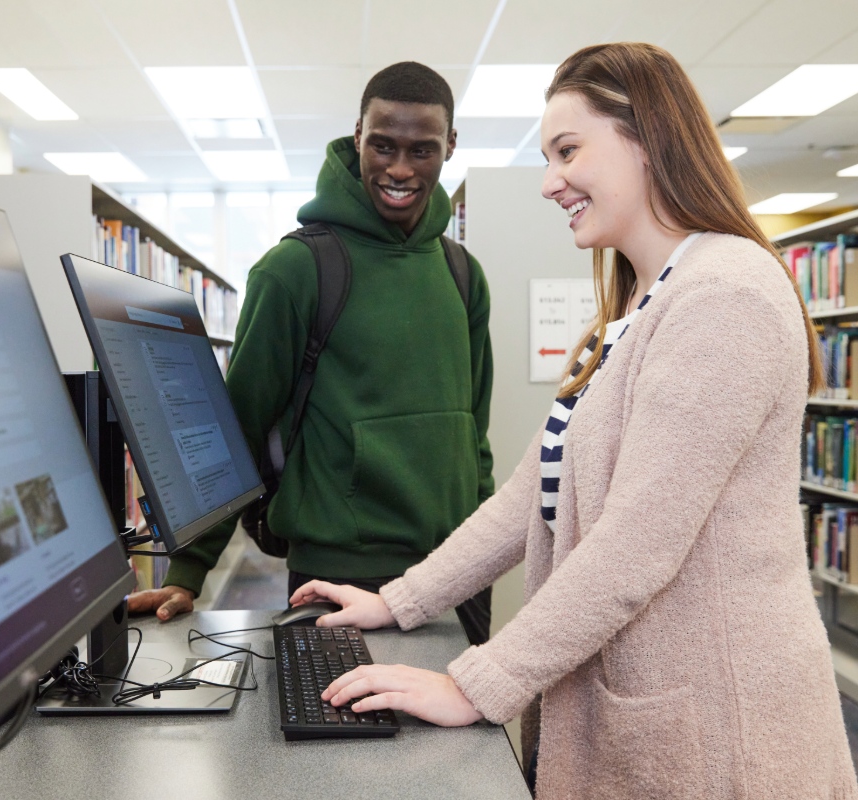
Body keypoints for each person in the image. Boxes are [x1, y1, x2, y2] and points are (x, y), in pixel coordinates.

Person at [291, 42, 858, 799]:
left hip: (722, 732)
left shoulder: (726, 297)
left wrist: (477, 685)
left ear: (647, 139)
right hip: (646, 705)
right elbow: (530, 493)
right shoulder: (634, 305)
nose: (551, 182)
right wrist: (402, 600)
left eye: (567, 150)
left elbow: (638, 543)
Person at [127, 61, 496, 645]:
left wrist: (483, 549)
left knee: (477, 736)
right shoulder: (294, 271)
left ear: (450, 146)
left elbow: (474, 432)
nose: (400, 169)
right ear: (357, 136)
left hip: (456, 570)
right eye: (382, 146)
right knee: (342, 734)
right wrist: (190, 570)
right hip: (341, 569)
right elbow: (238, 426)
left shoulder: (461, 273)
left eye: (422, 151)